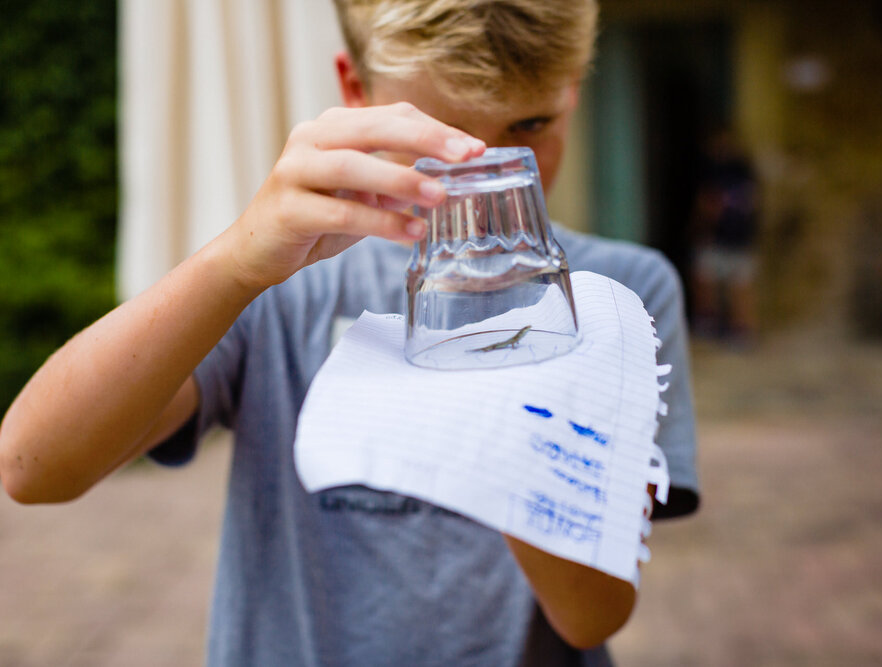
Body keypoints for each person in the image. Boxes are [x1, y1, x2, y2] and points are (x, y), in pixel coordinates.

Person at [0, 1, 699, 664]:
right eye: (439, 143)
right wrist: (234, 264)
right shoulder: (286, 286)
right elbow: (32, 468)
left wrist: (509, 342)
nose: (482, 178)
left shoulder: (623, 297)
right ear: (355, 90)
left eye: (528, 128)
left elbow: (591, 613)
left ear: (574, 89)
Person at [690, 127, 759, 344]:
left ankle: (736, 329)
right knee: (711, 280)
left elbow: (708, 205)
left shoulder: (737, 170)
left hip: (732, 238)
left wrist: (699, 228)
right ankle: (720, 326)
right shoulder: (730, 170)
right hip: (731, 237)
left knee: (737, 285)